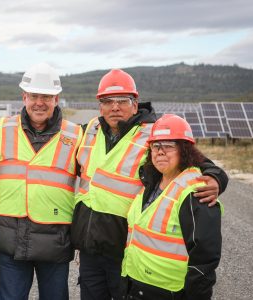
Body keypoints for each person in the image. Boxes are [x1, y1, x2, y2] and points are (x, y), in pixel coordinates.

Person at [70, 69, 228, 299]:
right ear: (99, 106)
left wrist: (216, 177)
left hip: (123, 247)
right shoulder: (92, 130)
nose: (115, 107)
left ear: (135, 104)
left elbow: (194, 157)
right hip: (90, 249)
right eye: (107, 101)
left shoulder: (152, 133)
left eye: (122, 101)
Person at [0, 63, 83, 300]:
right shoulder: (2, 129)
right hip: (12, 242)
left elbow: (100, 177)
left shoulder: (75, 135)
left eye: (46, 97)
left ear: (56, 99)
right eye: (34, 96)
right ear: (24, 97)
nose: (39, 102)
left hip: (56, 241)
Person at [122, 114, 223, 299]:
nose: (160, 151)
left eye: (168, 145)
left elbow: (205, 259)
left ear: (184, 150)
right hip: (137, 284)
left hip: (170, 290)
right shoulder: (151, 183)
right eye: (155, 145)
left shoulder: (196, 191)